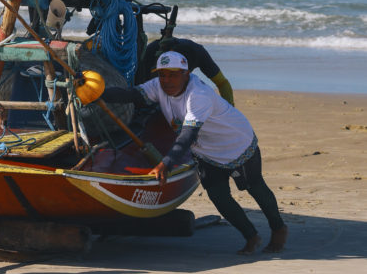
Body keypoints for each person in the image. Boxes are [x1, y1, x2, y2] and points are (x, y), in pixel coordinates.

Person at [102, 51, 287, 255]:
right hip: (205, 150)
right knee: (219, 197)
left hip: (236, 143)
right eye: (162, 74)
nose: (166, 81)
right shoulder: (158, 86)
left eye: (173, 75)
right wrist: (98, 92)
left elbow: (186, 136)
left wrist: (166, 163)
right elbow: (131, 95)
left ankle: (278, 228)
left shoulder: (198, 96)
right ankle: (251, 236)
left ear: (186, 74)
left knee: (255, 188)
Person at [143, 35, 235, 104]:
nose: (168, 78)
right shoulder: (153, 50)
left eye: (174, 74)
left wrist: (230, 110)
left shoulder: (199, 53)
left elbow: (222, 83)